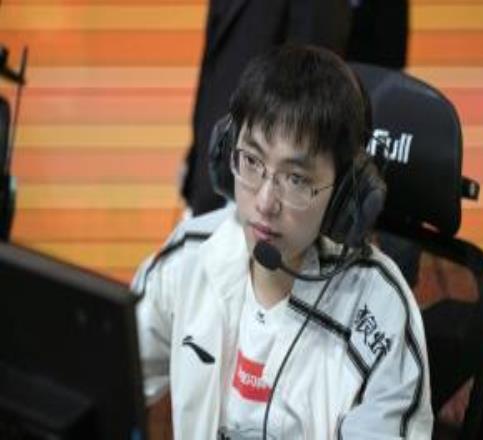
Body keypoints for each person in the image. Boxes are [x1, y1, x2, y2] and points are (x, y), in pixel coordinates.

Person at [133, 45, 433, 439]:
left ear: (345, 195)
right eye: (252, 161)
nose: (264, 202)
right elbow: (105, 376)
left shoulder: (382, 314)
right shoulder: (190, 256)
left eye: (296, 179)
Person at [181, 0, 352, 216]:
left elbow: (311, 91)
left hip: (261, 198)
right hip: (211, 181)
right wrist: (193, 163)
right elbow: (213, 72)